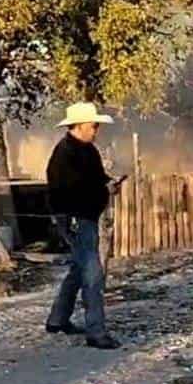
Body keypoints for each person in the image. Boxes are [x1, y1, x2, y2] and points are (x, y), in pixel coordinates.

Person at [44, 102, 121, 350]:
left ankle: (58, 319)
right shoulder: (64, 153)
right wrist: (102, 189)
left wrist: (109, 183)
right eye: (93, 125)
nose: (96, 130)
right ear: (78, 126)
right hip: (75, 217)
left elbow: (95, 179)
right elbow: (70, 190)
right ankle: (96, 332)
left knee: (79, 270)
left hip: (85, 216)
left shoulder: (87, 150)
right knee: (92, 274)